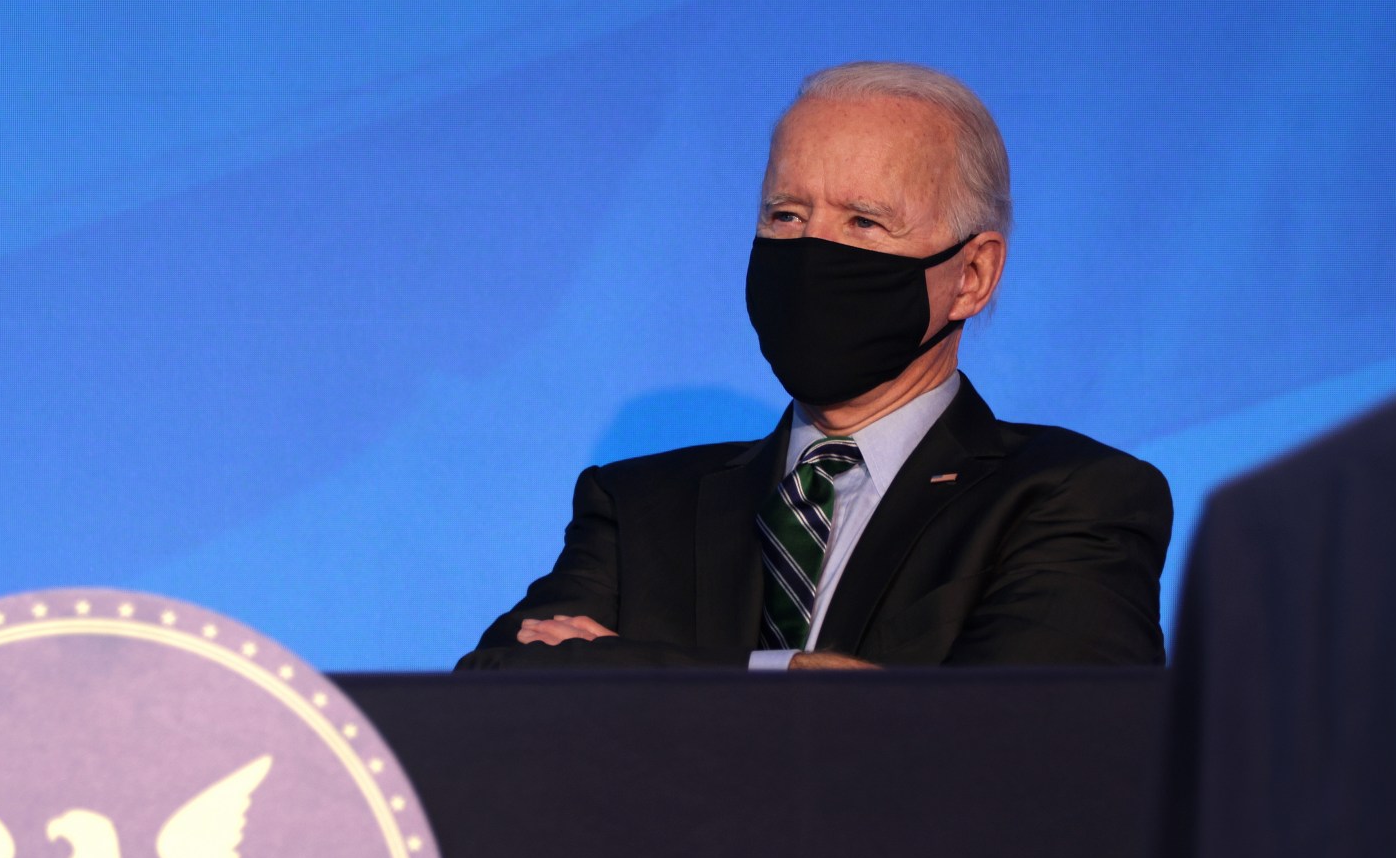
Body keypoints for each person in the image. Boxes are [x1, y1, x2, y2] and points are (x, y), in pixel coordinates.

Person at [457, 62, 1170, 670]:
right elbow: (502, 687)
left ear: (973, 275)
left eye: (863, 222)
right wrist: (793, 678)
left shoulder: (1071, 498)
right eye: (787, 217)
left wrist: (625, 670)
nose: (810, 255)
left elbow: (1027, 743)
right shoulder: (640, 506)